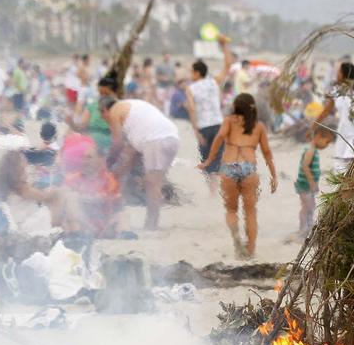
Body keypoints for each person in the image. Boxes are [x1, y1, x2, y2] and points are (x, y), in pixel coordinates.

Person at [198, 94, 277, 259]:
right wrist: (273, 175)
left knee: (231, 209)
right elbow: (267, 152)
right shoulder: (259, 126)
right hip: (248, 167)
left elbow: (219, 139)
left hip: (229, 167)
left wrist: (209, 161)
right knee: (250, 212)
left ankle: (236, 241)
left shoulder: (228, 121)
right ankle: (250, 250)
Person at [101, 96, 181, 231]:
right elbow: (130, 157)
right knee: (152, 182)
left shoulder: (115, 109)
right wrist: (116, 178)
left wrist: (108, 162)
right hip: (172, 137)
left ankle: (151, 224)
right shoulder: (134, 111)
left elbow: (117, 143)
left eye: (103, 116)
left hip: (156, 139)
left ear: (104, 110)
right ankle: (154, 216)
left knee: (151, 183)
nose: (106, 120)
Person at [186, 38, 233, 194]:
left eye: (191, 71)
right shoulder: (214, 82)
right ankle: (222, 192)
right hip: (219, 126)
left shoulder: (191, 89)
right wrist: (225, 46)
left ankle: (213, 193)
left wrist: (196, 131)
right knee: (218, 160)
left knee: (207, 162)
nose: (190, 74)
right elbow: (228, 65)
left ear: (197, 72)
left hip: (204, 127)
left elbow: (192, 109)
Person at [315, 61, 354, 175]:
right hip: (342, 133)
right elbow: (326, 110)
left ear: (346, 74)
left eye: (340, 72)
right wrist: (313, 125)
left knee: (350, 163)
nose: (337, 74)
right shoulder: (337, 92)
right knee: (339, 165)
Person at [294, 122, 333, 239]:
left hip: (307, 185)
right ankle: (303, 228)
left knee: (310, 205)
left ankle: (308, 226)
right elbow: (305, 166)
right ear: (318, 137)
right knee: (307, 206)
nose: (326, 145)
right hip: (305, 185)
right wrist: (311, 182)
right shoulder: (310, 150)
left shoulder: (313, 150)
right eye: (326, 141)